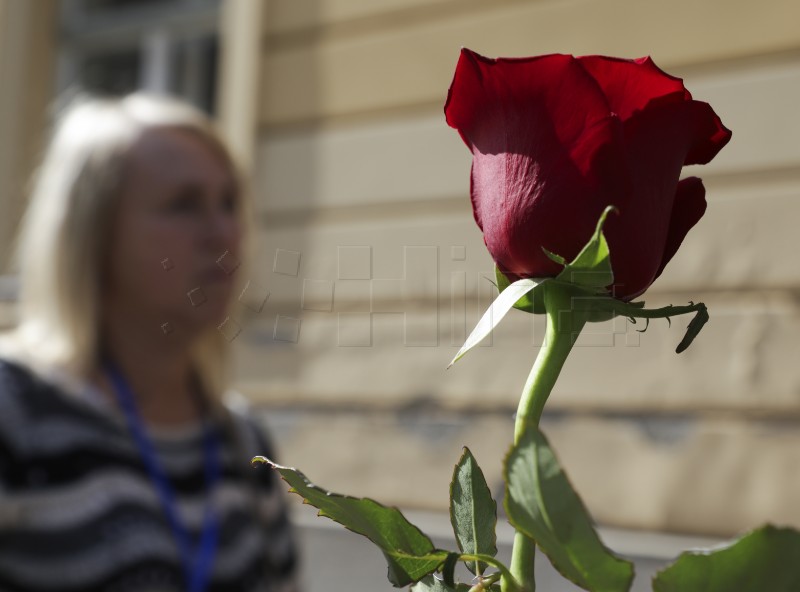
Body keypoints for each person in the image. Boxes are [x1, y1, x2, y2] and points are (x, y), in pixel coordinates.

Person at [0, 94, 299, 592]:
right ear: (91, 233)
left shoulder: (244, 442)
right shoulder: (14, 411)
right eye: (183, 204)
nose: (224, 233)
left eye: (229, 203)